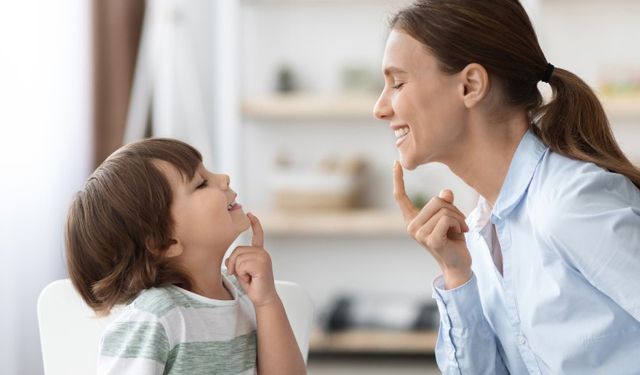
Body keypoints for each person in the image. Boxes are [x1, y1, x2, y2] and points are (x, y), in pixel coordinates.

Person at [373, 0, 640, 373]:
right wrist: (456, 276)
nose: (380, 108)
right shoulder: (482, 230)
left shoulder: (570, 203)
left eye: (397, 83)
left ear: (471, 85)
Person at [65, 138, 306, 375]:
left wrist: (266, 302)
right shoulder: (154, 318)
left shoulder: (245, 293)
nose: (223, 178)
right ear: (165, 243)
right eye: (201, 183)